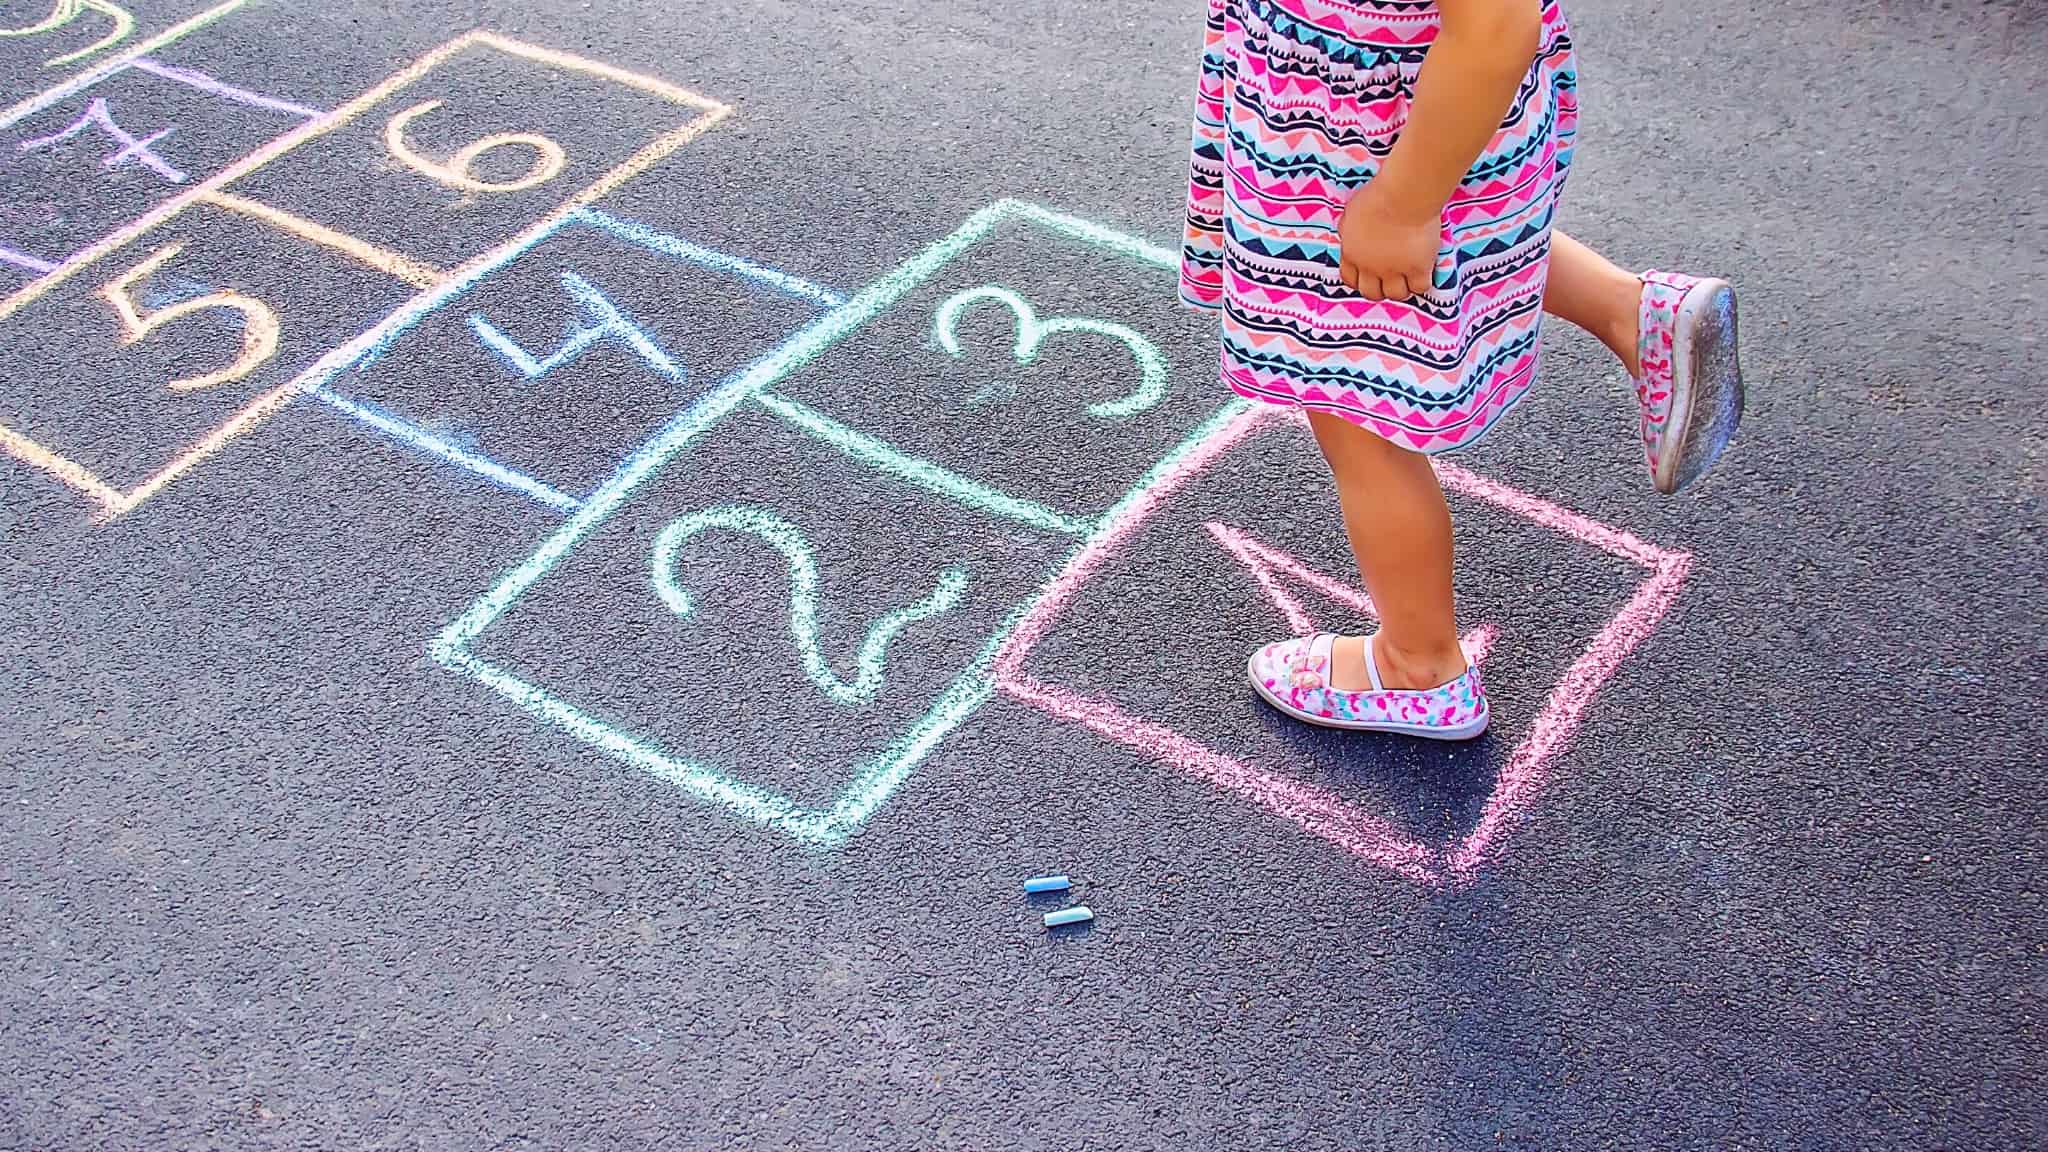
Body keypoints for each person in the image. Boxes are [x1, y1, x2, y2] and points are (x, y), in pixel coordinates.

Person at [1181, 0, 1743, 740]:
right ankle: (1631, 313)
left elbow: (1492, 26)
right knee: (1470, 250)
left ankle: (1418, 666)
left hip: (1373, 133)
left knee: (1354, 400)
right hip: (1375, 114)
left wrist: (1402, 206)